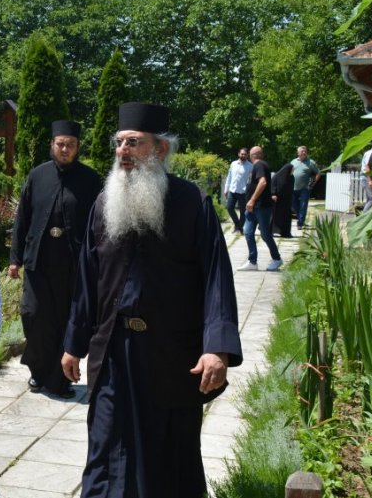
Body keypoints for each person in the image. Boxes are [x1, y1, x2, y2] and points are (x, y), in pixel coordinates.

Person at [60, 102, 243, 498]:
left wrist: (217, 349)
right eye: (119, 143)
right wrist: (74, 343)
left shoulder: (192, 203)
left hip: (171, 356)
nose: (122, 151)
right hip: (113, 352)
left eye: (133, 143)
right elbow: (87, 280)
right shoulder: (103, 204)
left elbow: (216, 278)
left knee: (167, 459)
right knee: (106, 450)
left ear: (160, 149)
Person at [9, 120, 102, 399]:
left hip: (73, 265)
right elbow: (22, 218)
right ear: (52, 145)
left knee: (65, 321)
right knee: (34, 316)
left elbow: (99, 224)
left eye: (70, 145)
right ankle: (38, 371)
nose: (64, 149)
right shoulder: (37, 176)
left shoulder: (90, 179)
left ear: (78, 147)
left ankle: (60, 380)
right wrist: (15, 258)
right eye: (60, 144)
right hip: (38, 262)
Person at [238, 146, 283, 271]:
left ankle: (277, 259)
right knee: (248, 231)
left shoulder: (260, 165)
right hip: (253, 207)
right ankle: (252, 262)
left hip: (261, 206)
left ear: (252, 155)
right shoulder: (257, 166)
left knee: (265, 234)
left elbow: (263, 182)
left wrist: (252, 200)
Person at [222, 147, 252, 234]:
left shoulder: (250, 166)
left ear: (247, 155)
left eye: (245, 154)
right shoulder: (233, 164)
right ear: (239, 154)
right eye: (241, 154)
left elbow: (251, 180)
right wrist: (226, 189)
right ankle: (237, 224)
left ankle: (239, 228)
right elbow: (229, 176)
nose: (243, 156)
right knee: (229, 207)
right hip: (232, 190)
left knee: (243, 212)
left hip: (243, 192)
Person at [290, 146, 321, 229]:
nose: (304, 152)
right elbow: (289, 172)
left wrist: (313, 183)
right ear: (298, 153)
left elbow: (318, 173)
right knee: (294, 206)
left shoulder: (311, 162)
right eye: (302, 151)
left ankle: (300, 223)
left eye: (305, 151)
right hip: (293, 188)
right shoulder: (293, 161)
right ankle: (300, 219)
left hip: (305, 188)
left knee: (303, 206)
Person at [271, 163, 294, 238]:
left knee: (286, 216)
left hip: (287, 200)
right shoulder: (277, 176)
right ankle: (274, 231)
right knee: (276, 216)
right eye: (292, 170)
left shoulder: (291, 177)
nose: (293, 171)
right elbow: (272, 185)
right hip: (277, 200)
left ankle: (285, 232)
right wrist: (273, 193)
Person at [361, 147, 372, 212]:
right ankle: (363, 217)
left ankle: (365, 216)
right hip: (367, 178)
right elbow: (367, 166)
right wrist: (370, 180)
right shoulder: (371, 153)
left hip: (371, 177)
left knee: (369, 200)